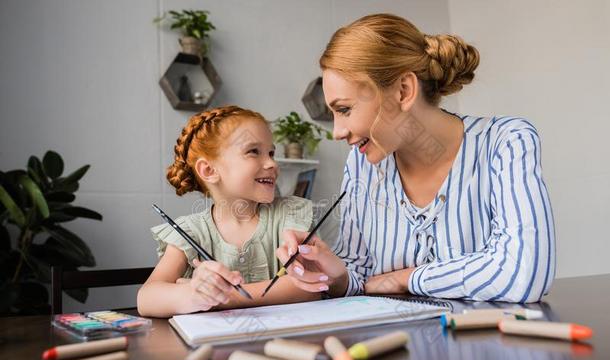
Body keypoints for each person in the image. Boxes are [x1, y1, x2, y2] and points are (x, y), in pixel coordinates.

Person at [277, 14, 555, 303]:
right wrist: (337, 276)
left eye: (344, 109)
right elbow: (364, 279)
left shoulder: (505, 142)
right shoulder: (361, 164)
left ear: (403, 91)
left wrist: (408, 278)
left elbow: (523, 273)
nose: (337, 132)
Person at [138, 106, 317, 317]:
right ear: (209, 171)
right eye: (253, 151)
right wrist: (193, 294)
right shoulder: (190, 231)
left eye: (271, 153)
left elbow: (310, 284)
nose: (271, 163)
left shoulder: (290, 214)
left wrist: (225, 298)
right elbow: (146, 298)